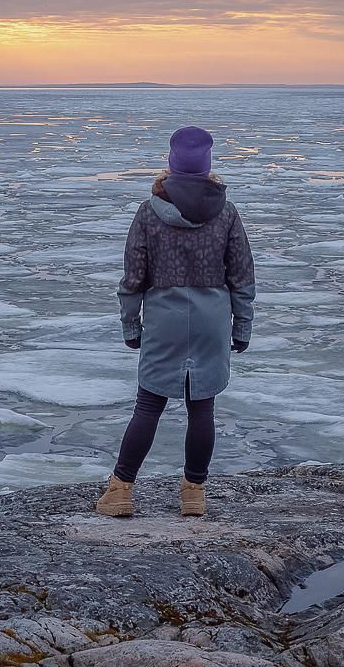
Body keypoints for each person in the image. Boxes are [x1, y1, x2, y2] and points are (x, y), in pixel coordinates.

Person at [96, 125, 255, 517]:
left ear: (171, 161)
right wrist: (242, 326)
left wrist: (131, 326)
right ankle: (194, 494)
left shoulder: (150, 212)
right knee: (202, 408)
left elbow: (133, 277)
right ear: (207, 163)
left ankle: (120, 491)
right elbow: (242, 274)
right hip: (211, 321)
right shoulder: (227, 211)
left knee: (148, 405)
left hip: (164, 319)